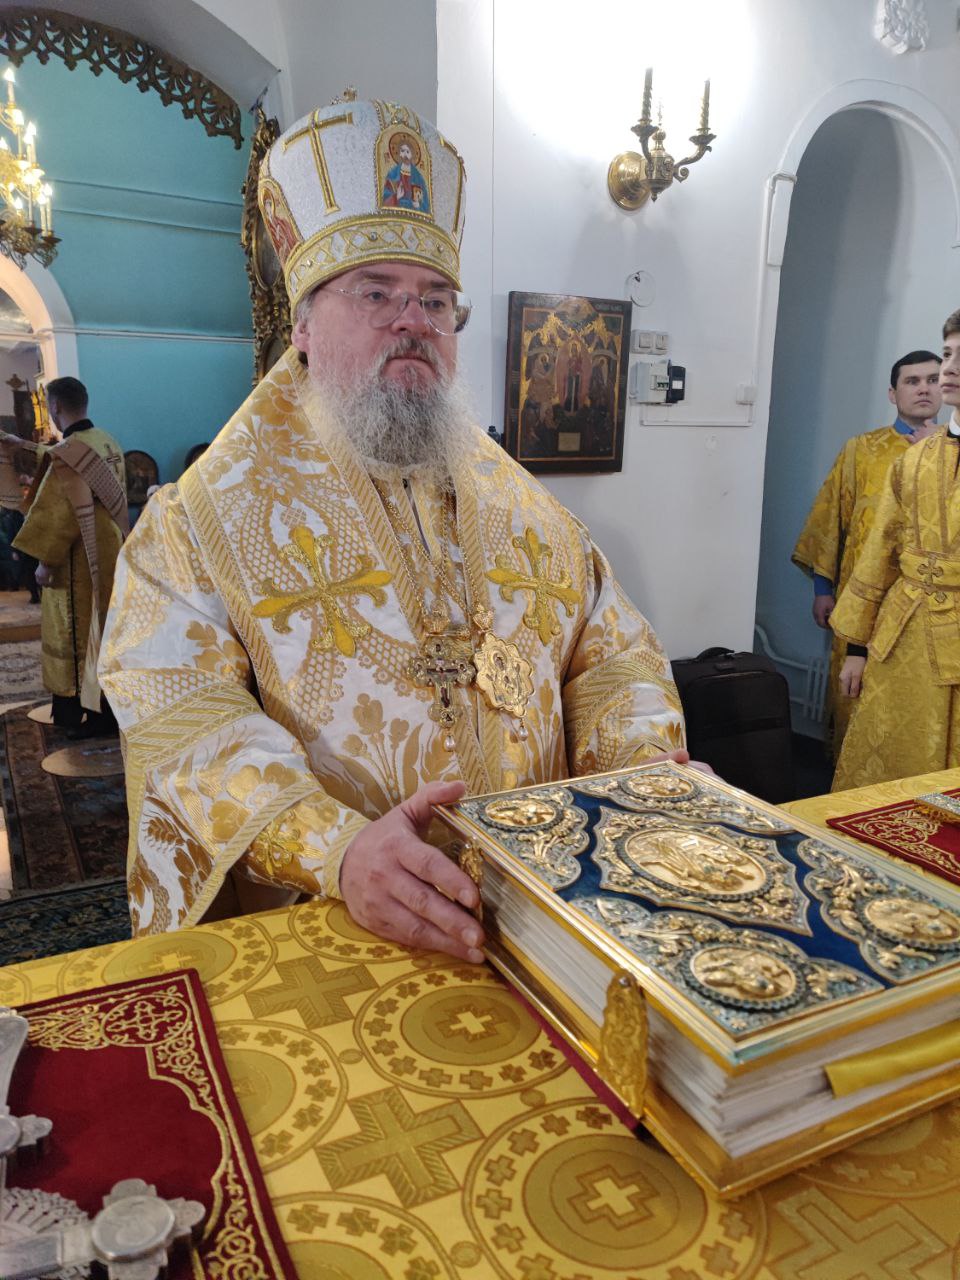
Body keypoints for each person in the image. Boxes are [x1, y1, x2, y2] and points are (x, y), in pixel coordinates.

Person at [98, 97, 687, 949]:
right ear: (303, 325)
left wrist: (641, 775)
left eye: (437, 301)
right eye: (377, 293)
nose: (414, 321)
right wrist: (334, 850)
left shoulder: (533, 512)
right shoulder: (197, 525)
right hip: (337, 926)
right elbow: (179, 711)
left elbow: (614, 656)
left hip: (540, 909)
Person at [829, 312, 960, 789]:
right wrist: (857, 648)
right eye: (948, 354)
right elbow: (879, 553)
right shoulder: (916, 458)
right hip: (904, 639)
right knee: (885, 775)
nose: (949, 369)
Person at [792, 349, 942, 754]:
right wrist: (822, 588)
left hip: (929, 610)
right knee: (854, 699)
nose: (924, 389)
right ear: (893, 394)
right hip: (862, 604)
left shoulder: (953, 453)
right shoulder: (862, 450)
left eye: (932, 379)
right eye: (912, 381)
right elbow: (831, 519)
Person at [7, 377, 127, 736]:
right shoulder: (106, 440)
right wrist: (22, 445)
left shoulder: (72, 451)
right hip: (110, 545)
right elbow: (67, 460)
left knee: (78, 629)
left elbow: (61, 509)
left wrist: (45, 562)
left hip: (79, 553)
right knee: (106, 626)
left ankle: (84, 714)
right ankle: (111, 708)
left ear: (55, 407)